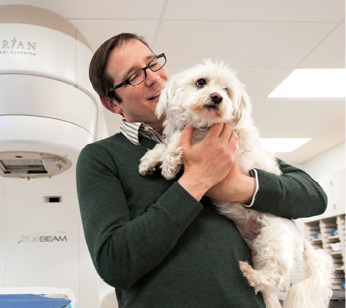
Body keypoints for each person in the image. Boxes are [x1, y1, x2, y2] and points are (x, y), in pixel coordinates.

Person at [76, 33, 327, 308]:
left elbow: (314, 196)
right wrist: (197, 180)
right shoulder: (100, 157)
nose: (152, 77)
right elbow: (115, 263)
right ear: (112, 102)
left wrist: (241, 187)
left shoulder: (226, 135)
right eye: (134, 75)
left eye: (153, 63)